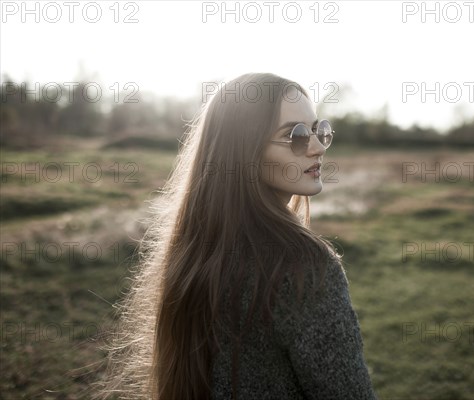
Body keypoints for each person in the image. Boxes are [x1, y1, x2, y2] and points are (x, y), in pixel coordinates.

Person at [97, 72, 377, 399]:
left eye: (318, 130)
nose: (316, 147)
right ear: (245, 150)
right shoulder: (305, 268)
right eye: (295, 135)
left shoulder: (195, 250)